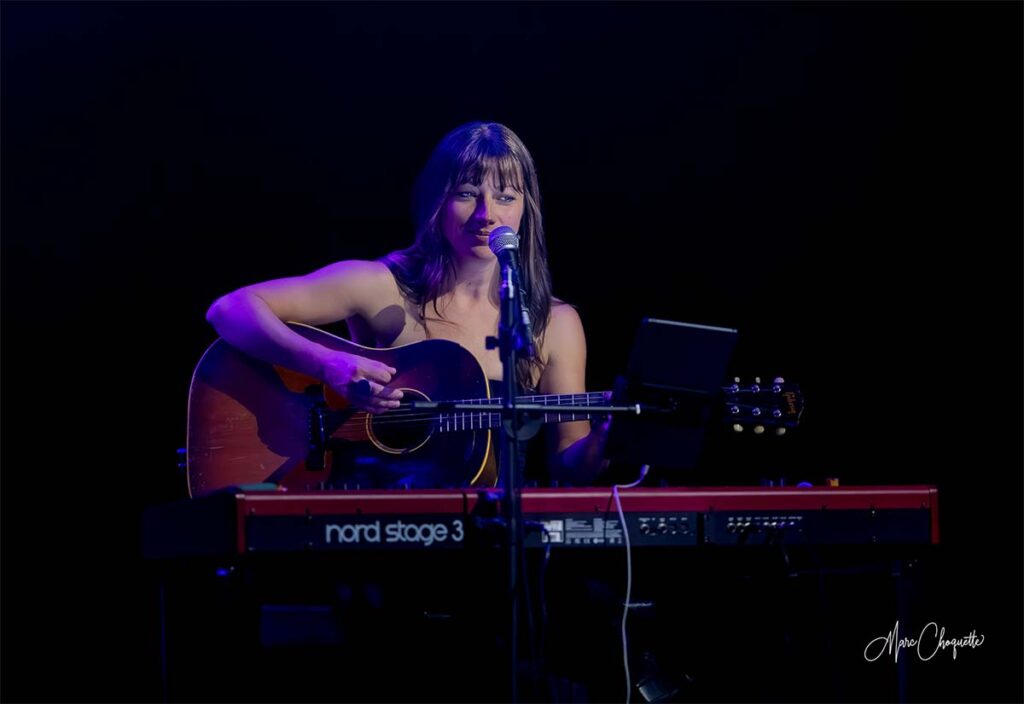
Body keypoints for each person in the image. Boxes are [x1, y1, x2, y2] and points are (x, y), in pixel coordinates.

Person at [205, 121, 607, 488]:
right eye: (467, 194)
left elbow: (568, 464)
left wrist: (610, 440)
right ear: (438, 201)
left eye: (505, 196)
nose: (487, 214)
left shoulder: (552, 322)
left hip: (489, 538)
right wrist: (327, 365)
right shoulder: (382, 286)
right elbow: (230, 309)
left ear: (526, 209)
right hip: (367, 521)